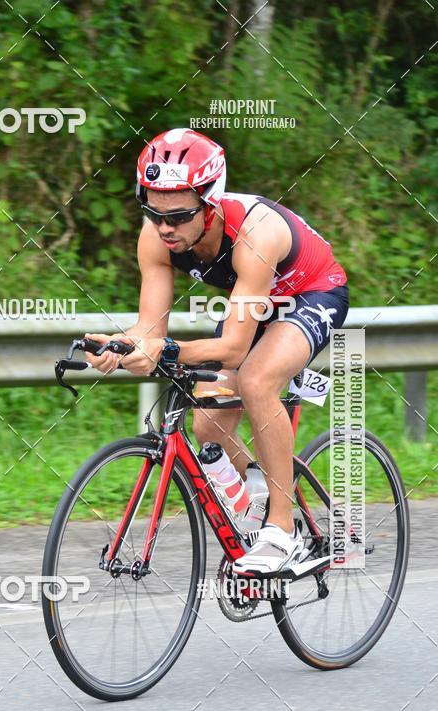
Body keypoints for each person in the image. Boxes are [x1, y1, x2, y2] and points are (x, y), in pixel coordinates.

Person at [85, 127, 349, 575]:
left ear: (210, 202)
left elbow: (232, 348)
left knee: (255, 379)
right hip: (253, 301)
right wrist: (119, 346)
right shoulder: (156, 237)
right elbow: (150, 328)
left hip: (310, 292)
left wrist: (162, 350)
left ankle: (282, 531)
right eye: (153, 212)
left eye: (180, 215)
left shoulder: (255, 233)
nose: (165, 227)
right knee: (208, 423)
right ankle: (262, 495)